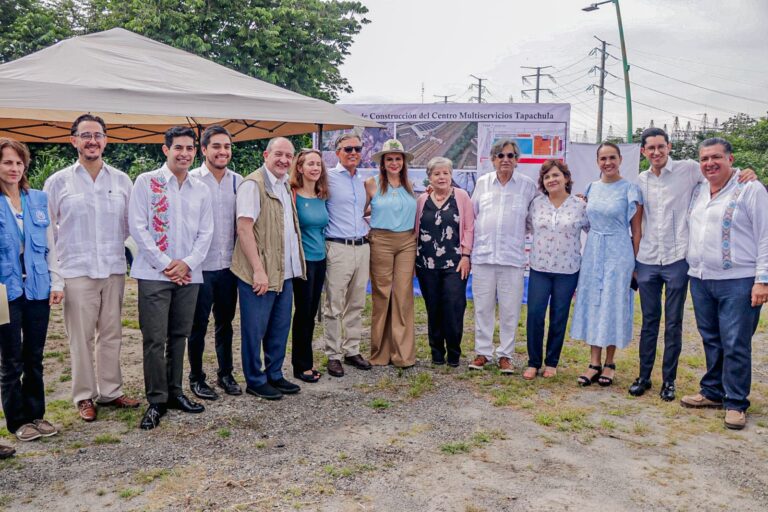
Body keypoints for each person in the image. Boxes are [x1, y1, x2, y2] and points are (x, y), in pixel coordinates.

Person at [629, 128, 757, 401]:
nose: (656, 152)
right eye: (650, 148)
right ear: (643, 152)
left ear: (669, 146)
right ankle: (643, 377)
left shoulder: (689, 170)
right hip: (649, 259)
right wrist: (635, 260)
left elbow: (722, 175)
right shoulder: (640, 180)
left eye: (661, 146)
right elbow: (636, 222)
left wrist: (746, 172)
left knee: (673, 323)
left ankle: (669, 381)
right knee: (649, 322)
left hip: (678, 259)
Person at [44, 114, 140, 423]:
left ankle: (111, 391)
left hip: (112, 268)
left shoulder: (122, 180)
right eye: (85, 135)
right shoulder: (58, 181)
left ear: (105, 140)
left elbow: (131, 226)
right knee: (80, 339)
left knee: (111, 334)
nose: (92, 141)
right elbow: (49, 232)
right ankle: (84, 395)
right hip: (77, 271)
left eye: (98, 135)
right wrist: (56, 275)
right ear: (73, 140)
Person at [129, 126, 213, 430]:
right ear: (166, 150)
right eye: (179, 148)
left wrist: (187, 263)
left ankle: (176, 393)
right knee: (154, 338)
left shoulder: (201, 188)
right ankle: (156, 400)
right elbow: (137, 227)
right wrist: (166, 264)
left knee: (180, 335)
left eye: (190, 148)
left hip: (189, 274)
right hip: (153, 273)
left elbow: (207, 232)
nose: (185, 154)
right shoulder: (146, 182)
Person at [681, 138, 768, 430]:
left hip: (739, 280)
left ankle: (736, 402)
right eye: (704, 158)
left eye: (716, 157)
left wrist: (762, 280)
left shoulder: (750, 189)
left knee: (735, 342)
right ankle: (712, 392)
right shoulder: (698, 190)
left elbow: (765, 235)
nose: (710, 163)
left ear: (731, 159)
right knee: (711, 339)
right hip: (702, 278)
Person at [0, 137, 63, 444]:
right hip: (3, 291)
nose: (13, 168)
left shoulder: (38, 198)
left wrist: (57, 280)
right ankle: (17, 421)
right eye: (7, 162)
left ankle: (36, 413)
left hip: (38, 286)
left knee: (34, 355)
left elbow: (52, 245)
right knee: (10, 359)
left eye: (18, 162)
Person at [231, 137, 304, 400]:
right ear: (266, 155)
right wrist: (258, 270)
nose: (285, 160)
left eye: (289, 155)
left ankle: (274, 374)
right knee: (255, 329)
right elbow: (244, 229)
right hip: (260, 272)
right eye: (279, 154)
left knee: (279, 327)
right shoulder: (253, 184)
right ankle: (255, 379)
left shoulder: (285, 184)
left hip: (283, 271)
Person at [570, 142, 643, 387]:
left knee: (613, 303)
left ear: (620, 159)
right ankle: (593, 362)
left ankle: (610, 363)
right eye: (603, 158)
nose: (608, 162)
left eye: (612, 157)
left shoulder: (630, 189)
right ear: (597, 161)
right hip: (593, 251)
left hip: (618, 252)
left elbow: (636, 230)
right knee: (593, 302)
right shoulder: (591, 187)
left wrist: (634, 264)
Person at [469, 140, 537, 373]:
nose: (505, 159)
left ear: (517, 160)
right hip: (483, 257)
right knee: (482, 308)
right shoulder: (482, 183)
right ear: (492, 159)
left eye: (511, 155)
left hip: (512, 259)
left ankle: (505, 355)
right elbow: (474, 215)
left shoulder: (527, 186)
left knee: (510, 310)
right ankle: (483, 353)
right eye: (500, 155)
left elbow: (531, 221)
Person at [187, 126, 243, 400]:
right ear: (204, 149)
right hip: (200, 267)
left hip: (228, 266)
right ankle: (196, 377)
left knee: (225, 323)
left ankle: (226, 373)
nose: (223, 151)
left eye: (227, 146)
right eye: (217, 146)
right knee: (197, 325)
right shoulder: (191, 180)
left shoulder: (238, 181)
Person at [523, 160, 588, 380]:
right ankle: (533, 362)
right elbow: (527, 226)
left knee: (559, 316)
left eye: (556, 175)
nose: (552, 180)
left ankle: (552, 362)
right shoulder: (536, 204)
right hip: (539, 268)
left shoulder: (579, 205)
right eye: (547, 177)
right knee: (534, 314)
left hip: (568, 270)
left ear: (566, 178)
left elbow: (593, 229)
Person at [415, 156, 473, 367]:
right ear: (429, 177)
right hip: (426, 265)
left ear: (451, 175)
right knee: (434, 308)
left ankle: (454, 352)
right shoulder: (422, 200)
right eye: (437, 173)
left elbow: (468, 227)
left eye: (445, 173)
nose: (441, 177)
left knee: (454, 307)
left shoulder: (461, 196)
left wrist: (466, 256)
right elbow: (416, 230)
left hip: (454, 264)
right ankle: (436, 352)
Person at [364, 139, 418, 368]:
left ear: (403, 162)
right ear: (383, 163)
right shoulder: (371, 184)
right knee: (382, 295)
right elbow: (359, 212)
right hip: (381, 241)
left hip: (407, 242)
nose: (394, 163)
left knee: (403, 295)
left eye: (398, 159)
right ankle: (380, 352)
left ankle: (403, 354)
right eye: (390, 159)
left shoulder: (410, 184)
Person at [322, 134, 372, 377]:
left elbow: (365, 209)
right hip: (338, 247)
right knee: (334, 304)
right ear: (337, 152)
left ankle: (351, 349)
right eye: (348, 149)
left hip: (362, 247)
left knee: (357, 302)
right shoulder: (328, 178)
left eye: (357, 148)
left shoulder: (363, 181)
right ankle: (333, 354)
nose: (353, 152)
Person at [289, 149, 329, 383]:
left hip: (320, 260)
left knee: (312, 313)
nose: (316, 168)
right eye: (310, 164)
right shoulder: (292, 194)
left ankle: (307, 360)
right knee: (303, 313)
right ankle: (300, 365)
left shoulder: (322, 195)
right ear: (300, 168)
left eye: (319, 165)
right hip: (302, 262)